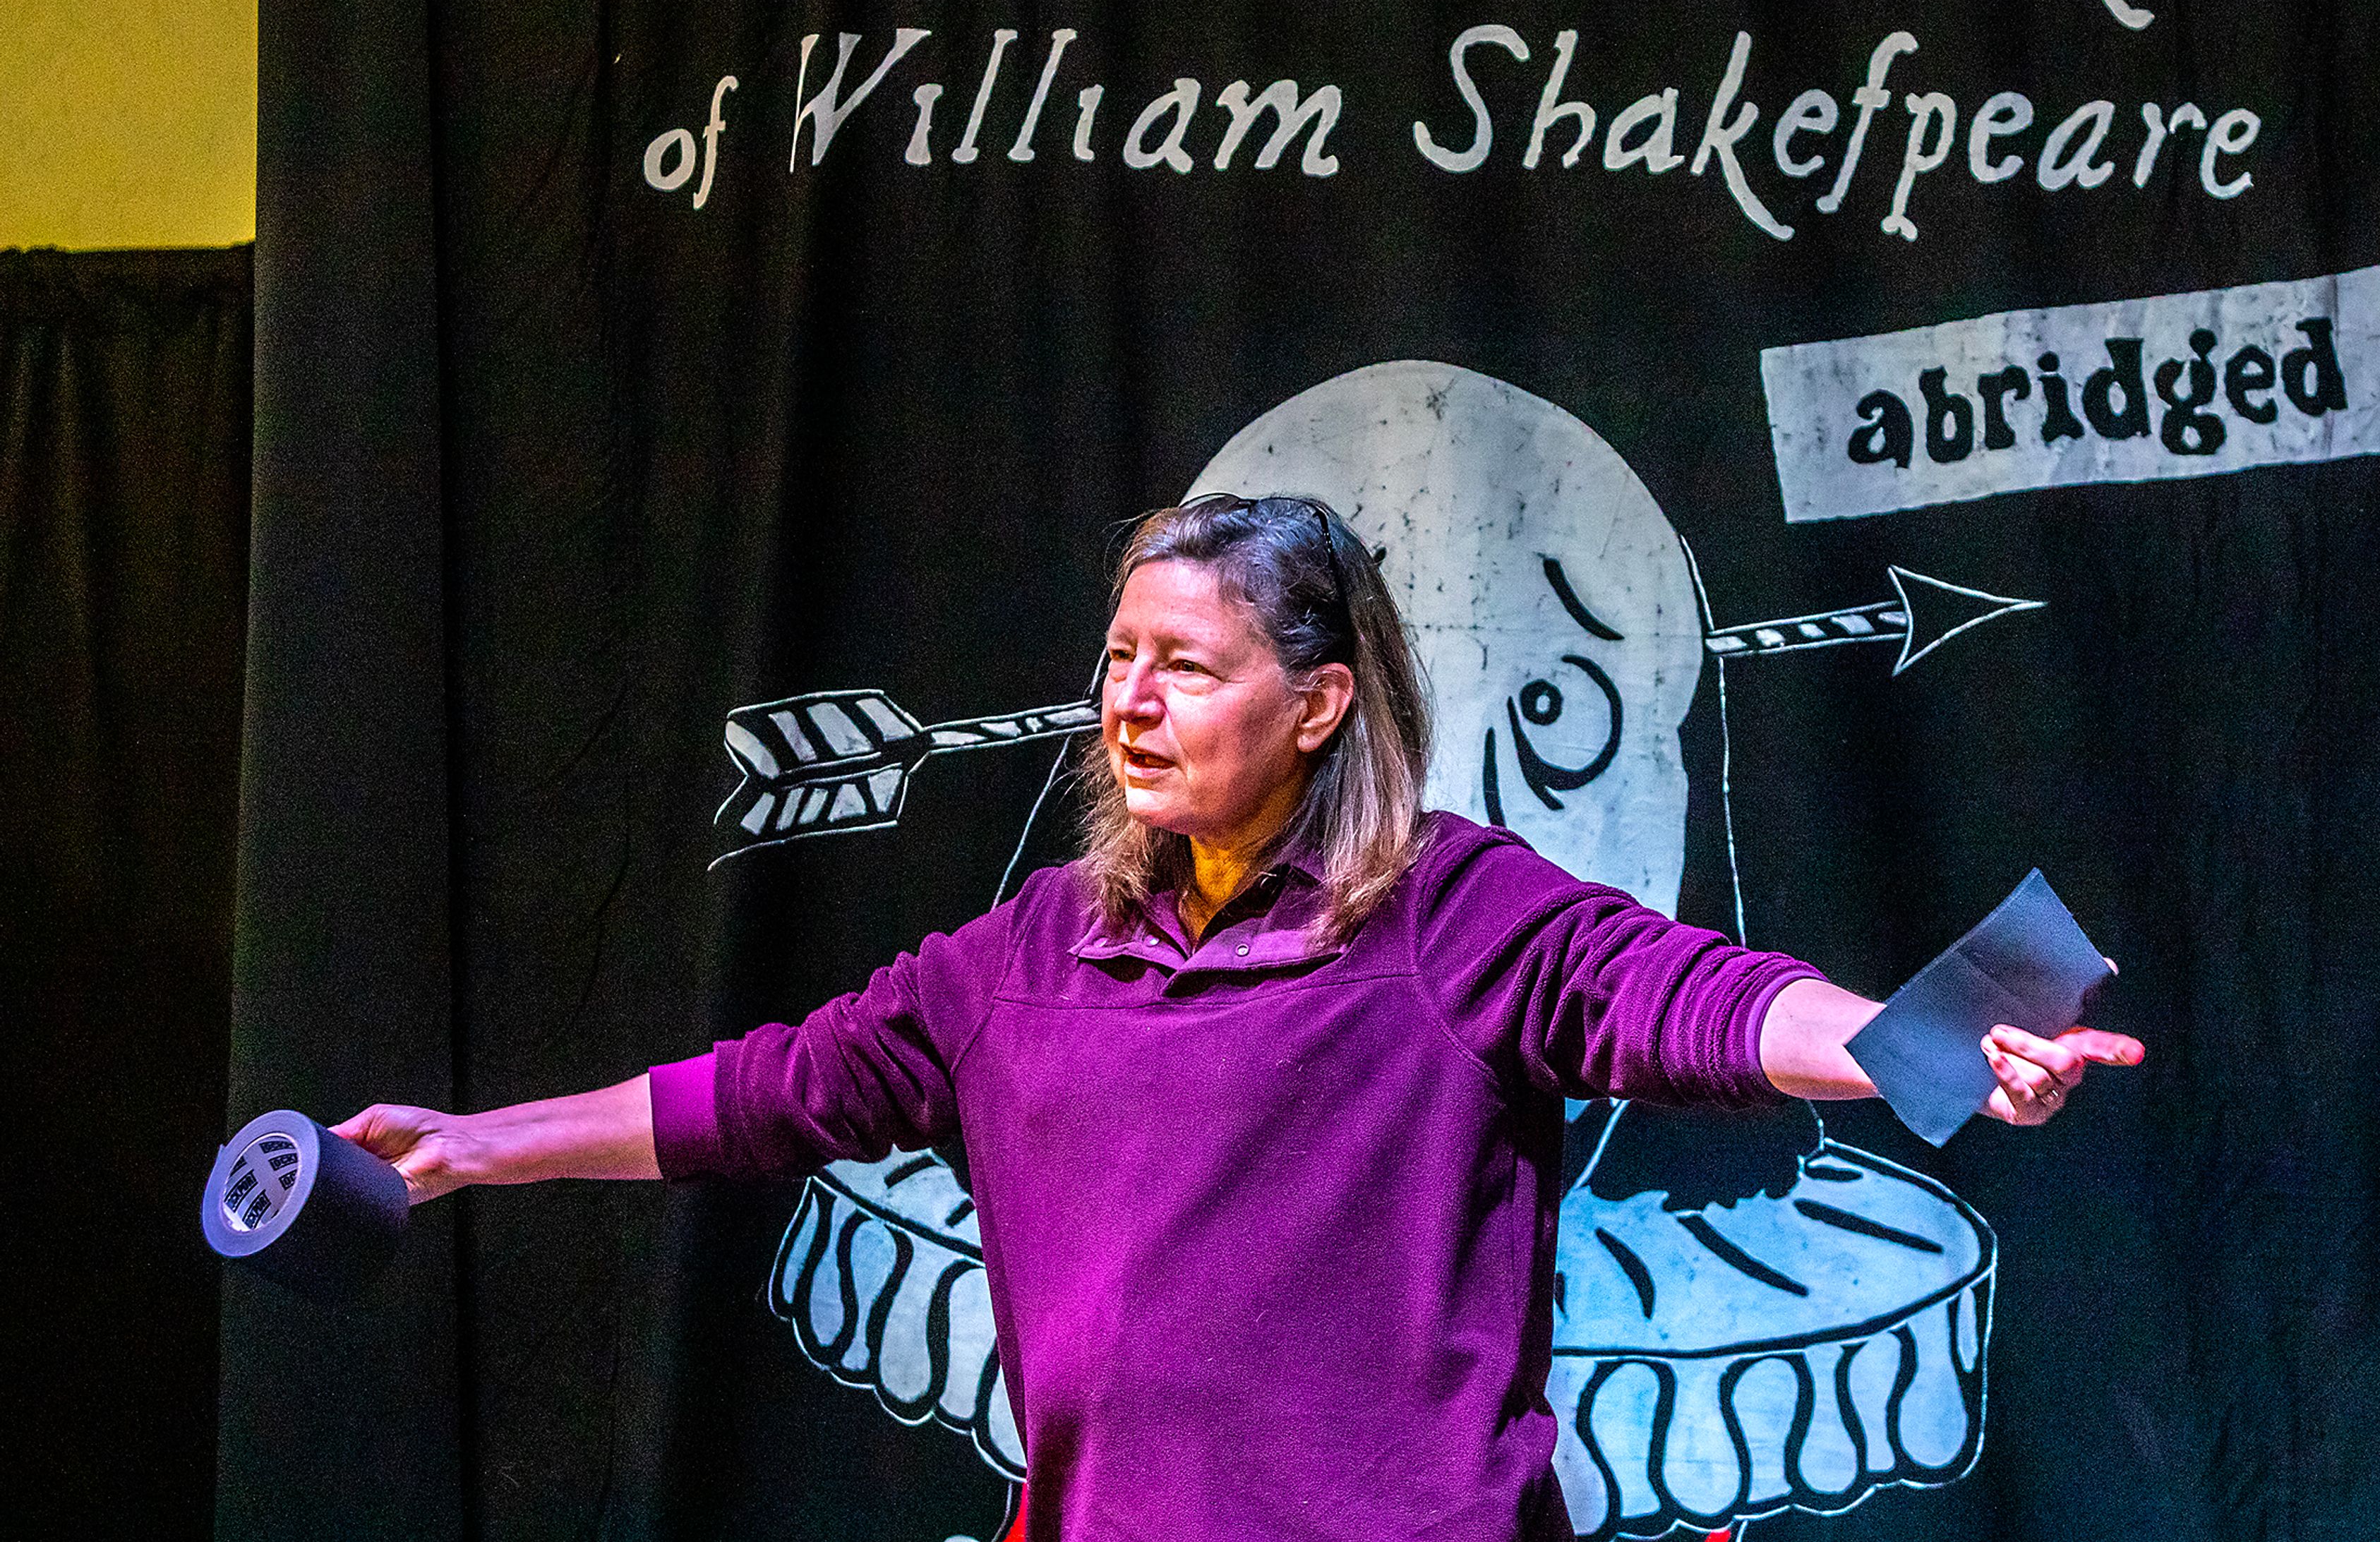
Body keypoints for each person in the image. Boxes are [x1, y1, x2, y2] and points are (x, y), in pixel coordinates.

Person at [341, 494, 2143, 1542]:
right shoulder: (1024, 956)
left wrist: (1922, 1041)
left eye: (1185, 664)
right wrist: (476, 1146)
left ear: (1318, 702)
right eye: (1118, 659)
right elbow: (772, 1090)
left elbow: (1684, 993)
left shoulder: (1450, 913)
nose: (1129, 701)